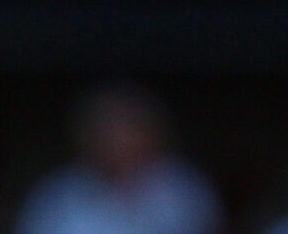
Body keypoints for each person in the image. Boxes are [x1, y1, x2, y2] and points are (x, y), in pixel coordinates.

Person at [16, 85, 220, 234]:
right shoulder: (56, 198)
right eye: (106, 131)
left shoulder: (183, 190)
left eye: (129, 128)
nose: (117, 143)